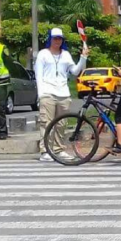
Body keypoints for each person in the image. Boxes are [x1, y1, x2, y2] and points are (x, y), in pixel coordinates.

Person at [36, 28, 89, 162]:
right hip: (47, 93)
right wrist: (41, 94)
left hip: (63, 94)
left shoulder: (65, 55)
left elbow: (75, 71)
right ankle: (45, 151)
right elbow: (38, 75)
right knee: (46, 123)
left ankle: (58, 150)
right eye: (54, 38)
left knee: (61, 124)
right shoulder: (43, 54)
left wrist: (83, 57)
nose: (57, 41)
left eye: (59, 38)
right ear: (50, 39)